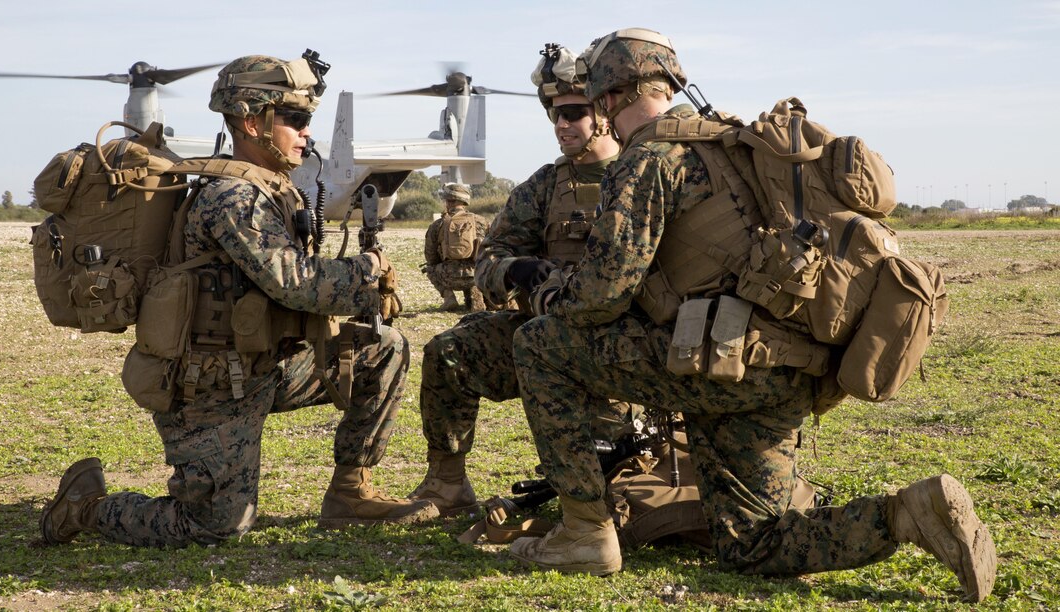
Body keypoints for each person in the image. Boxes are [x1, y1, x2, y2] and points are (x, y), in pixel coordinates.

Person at [507, 28, 997, 603]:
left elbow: (599, 297)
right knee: (751, 543)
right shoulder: (735, 141)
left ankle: (585, 534)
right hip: (790, 370)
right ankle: (908, 514)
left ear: (610, 96)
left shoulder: (650, 160)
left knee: (540, 343)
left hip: (722, 368)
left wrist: (541, 289)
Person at [39, 53, 438, 549]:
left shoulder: (274, 189)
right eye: (294, 119)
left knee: (383, 348)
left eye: (305, 120)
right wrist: (367, 270)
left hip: (264, 366)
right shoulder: (232, 197)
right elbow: (294, 283)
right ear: (252, 123)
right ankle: (85, 507)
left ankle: (350, 494)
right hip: (209, 386)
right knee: (215, 526)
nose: (306, 132)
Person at [407, 44, 624, 517]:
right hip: (541, 334)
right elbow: (489, 257)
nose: (561, 124)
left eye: (574, 113)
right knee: (449, 350)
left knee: (620, 477)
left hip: (620, 343)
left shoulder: (640, 177)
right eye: (555, 114)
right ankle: (447, 483)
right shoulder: (545, 186)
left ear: (605, 112)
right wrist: (514, 269)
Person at [423, 183, 489, 312]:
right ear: (465, 201)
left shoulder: (438, 224)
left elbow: (430, 256)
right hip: (476, 276)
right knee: (482, 265)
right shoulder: (481, 221)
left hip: (448, 276)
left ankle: (449, 298)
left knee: (430, 268)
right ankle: (476, 297)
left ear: (448, 202)